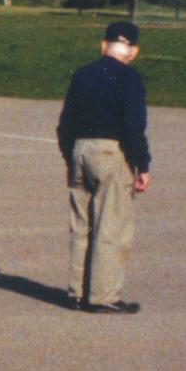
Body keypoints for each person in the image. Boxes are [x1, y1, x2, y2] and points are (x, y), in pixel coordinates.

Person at [56, 19, 152, 312]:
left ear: (103, 45)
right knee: (111, 225)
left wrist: (70, 156)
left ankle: (77, 292)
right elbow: (133, 127)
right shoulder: (129, 78)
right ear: (133, 50)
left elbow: (65, 123)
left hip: (80, 150)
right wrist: (142, 164)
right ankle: (103, 296)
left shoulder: (83, 74)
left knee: (81, 224)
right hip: (111, 152)